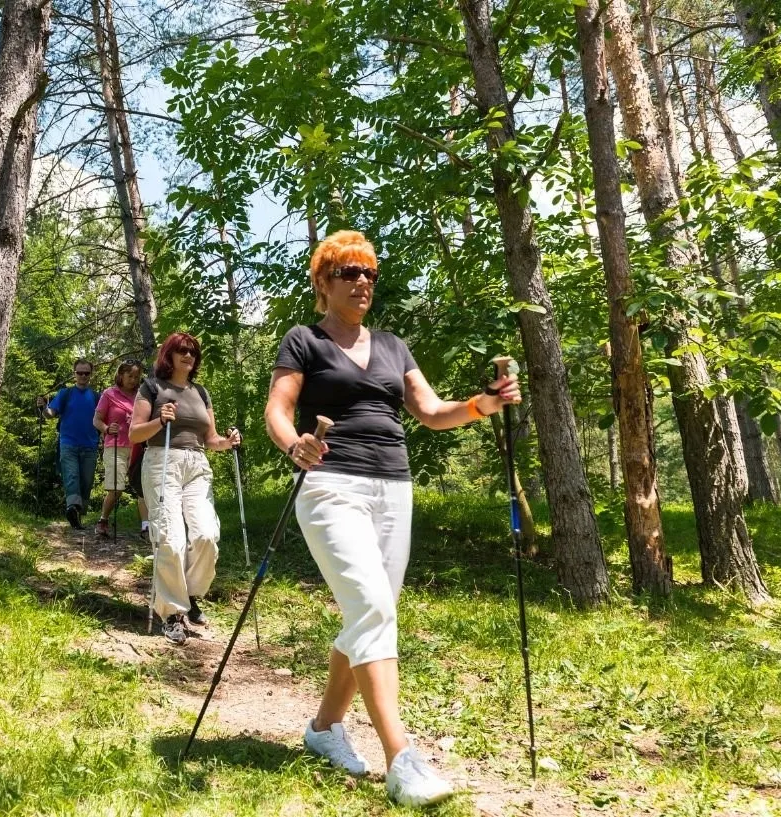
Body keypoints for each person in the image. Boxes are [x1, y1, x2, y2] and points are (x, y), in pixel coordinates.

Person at [264, 230, 520, 807]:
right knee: (373, 607)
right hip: (331, 484)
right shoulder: (304, 340)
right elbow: (278, 411)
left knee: (369, 610)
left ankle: (325, 727)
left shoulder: (394, 346)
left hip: (392, 489)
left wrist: (484, 404)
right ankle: (401, 758)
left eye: (369, 274)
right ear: (323, 282)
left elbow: (430, 412)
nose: (362, 282)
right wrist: (294, 444)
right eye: (349, 273)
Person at [129, 333, 241, 645]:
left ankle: (190, 596)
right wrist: (159, 422)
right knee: (171, 539)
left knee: (206, 535)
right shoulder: (152, 387)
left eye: (192, 352)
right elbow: (135, 434)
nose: (188, 356)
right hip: (162, 461)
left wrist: (227, 442)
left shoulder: (201, 392)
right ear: (169, 355)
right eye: (181, 351)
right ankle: (171, 613)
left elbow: (212, 439)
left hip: (197, 465)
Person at [92, 359, 150, 538]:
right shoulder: (109, 394)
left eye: (136, 376)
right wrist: (107, 429)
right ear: (120, 375)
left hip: (138, 447)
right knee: (116, 487)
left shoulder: (141, 395)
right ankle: (103, 520)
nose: (133, 380)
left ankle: (146, 527)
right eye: (130, 376)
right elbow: (97, 420)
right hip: (115, 445)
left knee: (143, 488)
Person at [46, 358, 101, 530]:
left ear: (91, 374)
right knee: (71, 476)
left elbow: (103, 419)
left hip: (90, 445)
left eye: (86, 373)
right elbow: (51, 413)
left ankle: (78, 512)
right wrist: (43, 408)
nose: (83, 376)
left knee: (86, 480)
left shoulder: (97, 396)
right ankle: (72, 508)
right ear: (74, 374)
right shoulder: (65, 393)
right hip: (68, 443)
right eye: (80, 373)